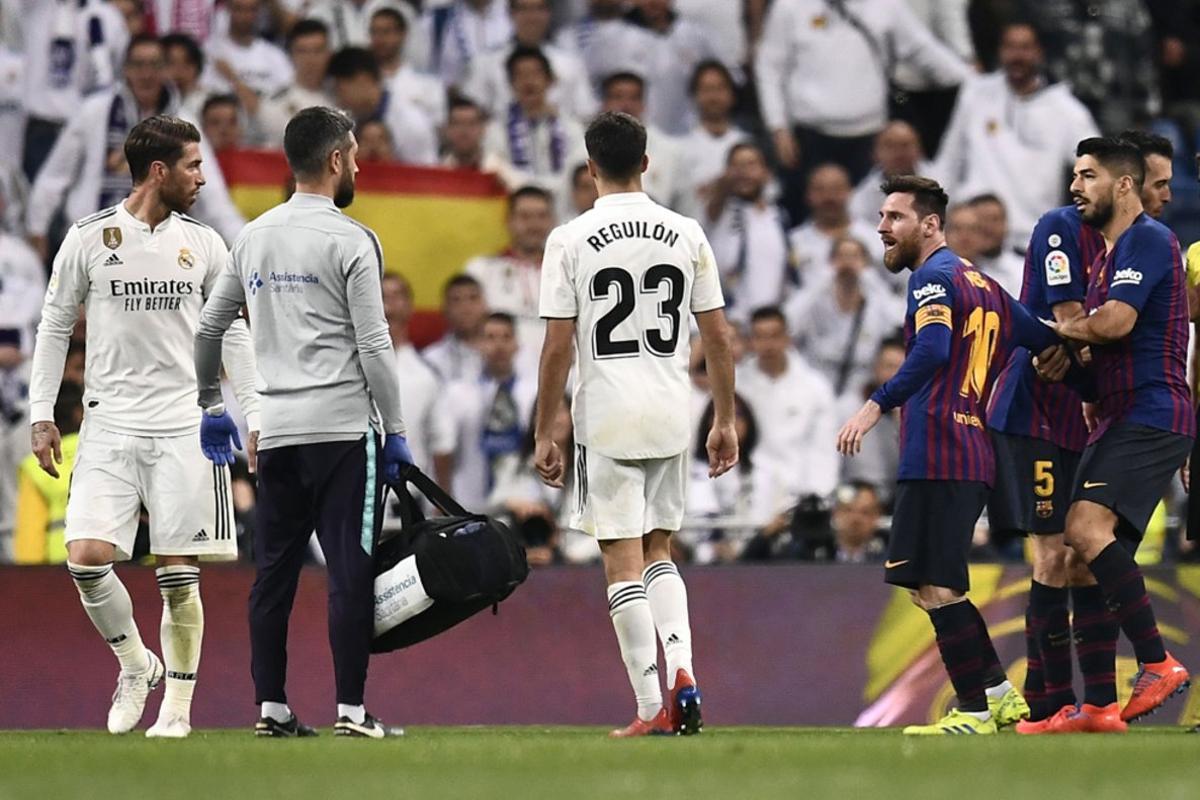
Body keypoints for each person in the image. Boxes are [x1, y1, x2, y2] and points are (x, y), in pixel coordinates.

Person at [28, 115, 260, 738]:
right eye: (192, 166)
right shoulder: (88, 238)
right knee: (86, 558)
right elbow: (54, 327)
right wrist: (42, 413)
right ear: (159, 171)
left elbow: (230, 330)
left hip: (185, 422)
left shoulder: (206, 244)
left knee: (177, 571)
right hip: (108, 422)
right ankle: (135, 664)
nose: (202, 179)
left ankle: (177, 713)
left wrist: (256, 414)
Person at [193, 105, 412, 738]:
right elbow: (374, 345)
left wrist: (214, 404)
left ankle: (271, 708)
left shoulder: (253, 236)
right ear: (337, 159)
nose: (360, 164)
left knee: (273, 576)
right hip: (345, 431)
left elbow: (211, 326)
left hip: (278, 434)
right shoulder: (352, 239)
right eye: (355, 154)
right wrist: (395, 430)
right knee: (350, 571)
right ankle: (350, 711)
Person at [534, 110, 737, 737]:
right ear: (646, 163)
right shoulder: (685, 231)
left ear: (590, 168)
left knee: (619, 558)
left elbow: (557, 348)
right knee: (659, 550)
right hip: (673, 407)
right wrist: (724, 418)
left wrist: (547, 428)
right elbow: (720, 339)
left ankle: (651, 707)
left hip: (609, 412)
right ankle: (684, 667)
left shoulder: (569, 238)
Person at [836, 174, 1062, 735]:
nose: (882, 227)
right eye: (882, 216)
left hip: (940, 447)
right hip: (970, 449)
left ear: (930, 224)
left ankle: (976, 710)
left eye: (895, 218)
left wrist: (875, 404)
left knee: (936, 586)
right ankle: (999, 693)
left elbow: (933, 349)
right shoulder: (982, 283)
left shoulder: (933, 278)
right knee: (927, 585)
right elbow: (1043, 337)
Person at [990, 131, 1172, 735]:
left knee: (1085, 552)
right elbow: (1070, 323)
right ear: (1130, 184)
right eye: (1157, 184)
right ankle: (1050, 702)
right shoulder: (1062, 230)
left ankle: (1098, 705)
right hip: (1042, 410)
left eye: (1168, 186)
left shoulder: (1130, 245)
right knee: (1052, 552)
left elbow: (1110, 328)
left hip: (1103, 410)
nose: (1164, 196)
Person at [1036, 137, 1193, 726]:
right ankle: (1100, 706)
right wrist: (1068, 354)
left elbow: (1119, 322)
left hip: (1150, 412)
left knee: (1082, 525)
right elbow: (1098, 335)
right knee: (1082, 559)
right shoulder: (1107, 256)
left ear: (1123, 185)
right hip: (1117, 416)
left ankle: (1156, 661)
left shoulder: (1148, 240)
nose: (1076, 188)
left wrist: (1057, 333)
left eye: (1088, 176)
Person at [755, 0, 970, 223]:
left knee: (876, 222)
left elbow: (923, 51)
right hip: (810, 140)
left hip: (870, 142)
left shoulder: (887, 6)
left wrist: (974, 84)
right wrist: (778, 127)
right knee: (808, 221)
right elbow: (769, 66)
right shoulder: (790, 6)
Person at [27, 35, 246, 249]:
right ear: (126, 70)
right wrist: (37, 228)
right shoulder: (95, 111)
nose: (146, 74)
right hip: (94, 240)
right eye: (138, 65)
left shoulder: (184, 123)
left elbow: (212, 196)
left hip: (160, 246)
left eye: (154, 65)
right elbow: (55, 175)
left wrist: (246, 246)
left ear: (165, 70)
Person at [935, 21, 1098, 249]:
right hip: (971, 240)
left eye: (1025, 48)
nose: (1017, 56)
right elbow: (948, 162)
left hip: (1029, 242)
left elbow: (1097, 173)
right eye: (1010, 47)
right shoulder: (975, 94)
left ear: (1039, 52)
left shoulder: (1066, 110)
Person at [738, 306, 839, 519]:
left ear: (787, 339)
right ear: (750, 341)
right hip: (747, 492)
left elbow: (824, 450)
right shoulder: (735, 385)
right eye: (760, 337)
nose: (768, 345)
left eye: (774, 336)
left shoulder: (815, 387)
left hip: (799, 494)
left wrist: (816, 499)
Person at [786, 235, 904, 400]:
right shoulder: (815, 302)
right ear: (830, 262)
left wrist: (869, 277)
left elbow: (900, 322)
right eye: (841, 256)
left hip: (861, 389)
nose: (847, 262)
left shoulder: (876, 304)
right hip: (816, 385)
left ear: (866, 264)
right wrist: (824, 278)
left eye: (854, 256)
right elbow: (787, 322)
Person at [447, 311, 536, 512]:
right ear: (478, 344)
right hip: (470, 499)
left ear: (517, 344)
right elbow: (448, 449)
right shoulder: (459, 394)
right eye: (490, 337)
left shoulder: (533, 394)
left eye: (506, 337)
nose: (499, 346)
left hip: (524, 502)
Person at [464, 184, 555, 377]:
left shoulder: (565, 270)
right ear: (509, 221)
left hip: (557, 376)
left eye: (541, 216)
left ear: (552, 221)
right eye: (525, 217)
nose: (534, 225)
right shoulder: (482, 269)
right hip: (497, 376)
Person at [461, 0, 595, 122]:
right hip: (499, 144)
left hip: (561, 142)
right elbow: (470, 115)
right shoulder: (484, 64)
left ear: (549, 13)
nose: (532, 17)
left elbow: (585, 114)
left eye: (539, 9)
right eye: (523, 9)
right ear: (510, 13)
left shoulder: (570, 64)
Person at [382, 272, 455, 490]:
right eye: (382, 296)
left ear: (409, 305)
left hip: (409, 498)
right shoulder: (351, 369)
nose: (389, 305)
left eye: (396, 296)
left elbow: (442, 441)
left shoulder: (427, 374)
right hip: (360, 497)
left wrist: (443, 499)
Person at [701, 142, 788, 325]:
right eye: (737, 165)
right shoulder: (720, 212)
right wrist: (722, 185)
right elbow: (713, 206)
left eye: (751, 165)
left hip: (770, 321)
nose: (744, 172)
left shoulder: (778, 216)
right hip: (732, 320)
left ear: (766, 172)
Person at [482, 46, 585, 199]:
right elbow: (495, 168)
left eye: (535, 74)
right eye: (520, 75)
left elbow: (578, 170)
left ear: (550, 80)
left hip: (564, 207)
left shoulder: (572, 128)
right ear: (511, 83)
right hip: (517, 207)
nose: (528, 82)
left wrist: (548, 188)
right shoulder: (496, 130)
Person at [327, 46, 437, 165]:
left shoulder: (412, 123)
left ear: (362, 80)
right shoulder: (350, 120)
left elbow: (427, 175)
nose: (339, 99)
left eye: (340, 90)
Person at [258, 18, 334, 146]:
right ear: (291, 55)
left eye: (317, 51)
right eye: (303, 51)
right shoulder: (275, 105)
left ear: (329, 54)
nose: (310, 59)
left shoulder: (342, 98)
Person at [848, 121, 933, 233]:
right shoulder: (861, 199)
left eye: (905, 145)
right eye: (890, 146)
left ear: (919, 150)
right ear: (875, 154)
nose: (899, 153)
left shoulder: (942, 182)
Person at [422, 272, 487, 382]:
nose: (466, 308)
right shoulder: (431, 360)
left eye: (473, 298)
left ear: (485, 305)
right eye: (456, 300)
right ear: (445, 309)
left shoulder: (505, 354)